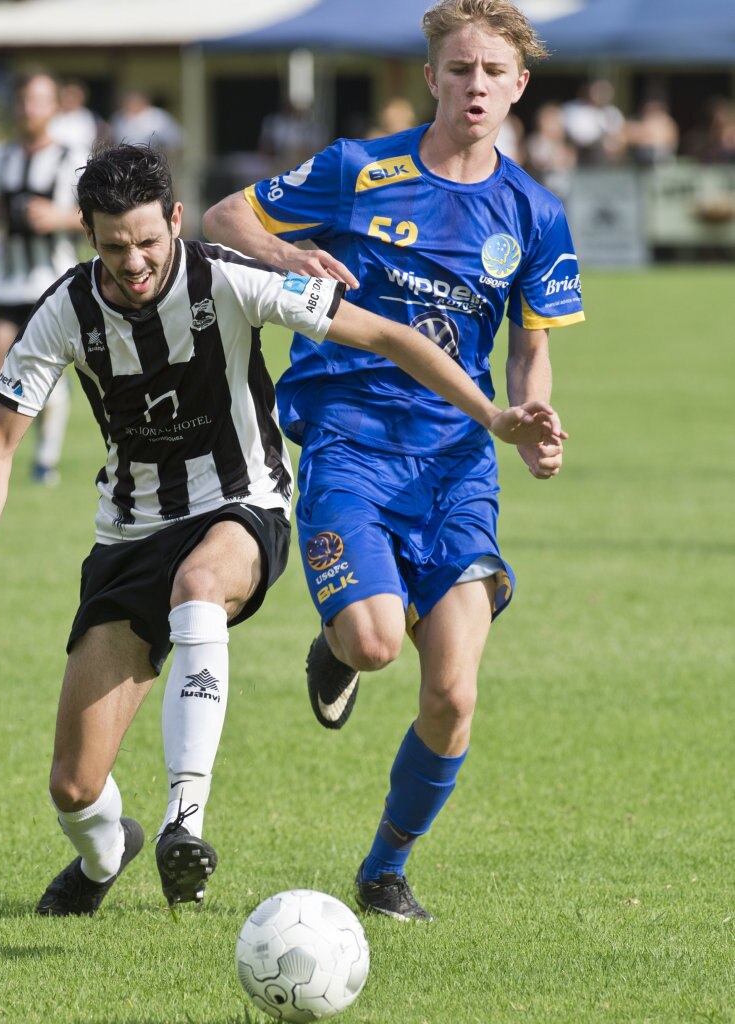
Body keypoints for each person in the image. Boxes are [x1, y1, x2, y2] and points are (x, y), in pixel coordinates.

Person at [0, 142, 564, 919]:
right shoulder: (65, 309)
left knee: (200, 585)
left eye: (149, 242)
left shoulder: (225, 275)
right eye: (115, 246)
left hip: (240, 505)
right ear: (88, 233)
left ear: (176, 222)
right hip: (129, 534)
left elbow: (390, 336)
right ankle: (103, 853)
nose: (135, 262)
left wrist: (493, 416)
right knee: (72, 786)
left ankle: (183, 822)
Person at [203, 0, 584, 922]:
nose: (477, 86)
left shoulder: (534, 213)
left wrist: (531, 410)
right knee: (374, 644)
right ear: (432, 77)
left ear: (519, 85)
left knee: (452, 696)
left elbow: (531, 341)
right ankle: (339, 640)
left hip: (456, 463)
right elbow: (220, 219)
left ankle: (383, 870)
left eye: (494, 72)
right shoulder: (355, 169)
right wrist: (289, 256)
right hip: (350, 443)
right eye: (461, 70)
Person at [0, 70, 86, 486]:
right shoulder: (3, 156)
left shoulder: (71, 157)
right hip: (9, 277)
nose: (28, 108)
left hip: (50, 278)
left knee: (37, 367)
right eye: (23, 100)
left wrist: (58, 217)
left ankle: (45, 460)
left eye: (38, 100)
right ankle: (52, 399)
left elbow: (96, 214)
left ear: (55, 106)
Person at [560, 78, 626, 166]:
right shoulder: (572, 109)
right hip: (577, 153)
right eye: (598, 91)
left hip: (602, 158)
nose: (601, 95)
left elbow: (620, 139)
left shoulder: (613, 112)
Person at [108, 89, 183, 154]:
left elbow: (175, 140)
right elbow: (112, 140)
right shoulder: (118, 118)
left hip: (152, 162)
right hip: (124, 162)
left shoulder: (158, 116)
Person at [49, 78, 105, 153]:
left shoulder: (87, 116)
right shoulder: (53, 114)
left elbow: (89, 141)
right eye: (68, 94)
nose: (70, 98)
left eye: (74, 95)